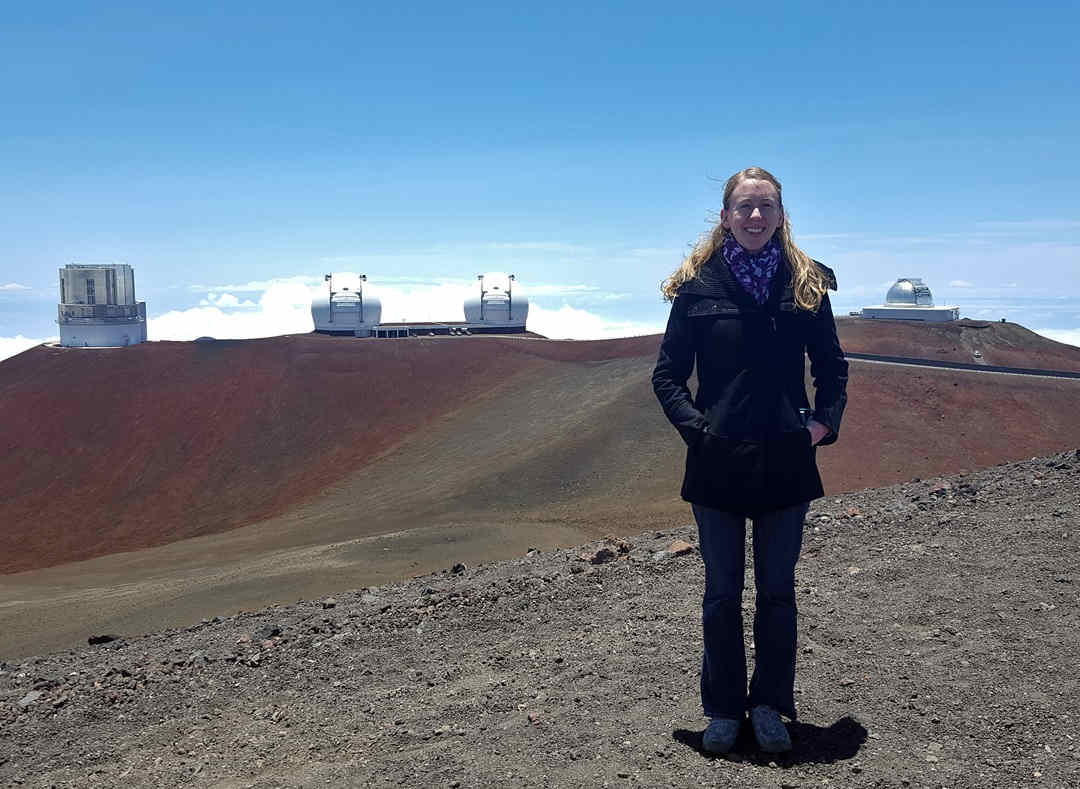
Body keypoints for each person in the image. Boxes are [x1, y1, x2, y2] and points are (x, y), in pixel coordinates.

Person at [652, 166, 848, 755]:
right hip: (717, 463)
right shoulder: (697, 287)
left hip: (786, 462)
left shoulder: (805, 286)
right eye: (745, 207)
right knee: (721, 593)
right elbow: (666, 376)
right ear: (726, 216)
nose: (755, 217)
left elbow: (833, 367)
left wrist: (820, 425)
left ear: (782, 216)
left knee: (777, 592)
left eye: (766, 207)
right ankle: (721, 710)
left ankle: (768, 706)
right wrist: (698, 431)